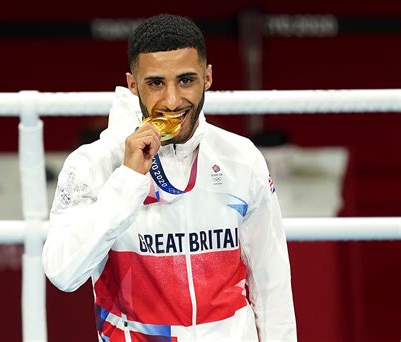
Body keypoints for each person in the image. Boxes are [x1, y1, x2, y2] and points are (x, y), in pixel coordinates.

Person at [43, 14, 297, 341]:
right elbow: (64, 272)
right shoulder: (93, 163)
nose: (173, 100)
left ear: (207, 77)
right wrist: (128, 181)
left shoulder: (241, 158)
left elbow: (271, 281)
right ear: (133, 84)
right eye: (156, 83)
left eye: (186, 80)